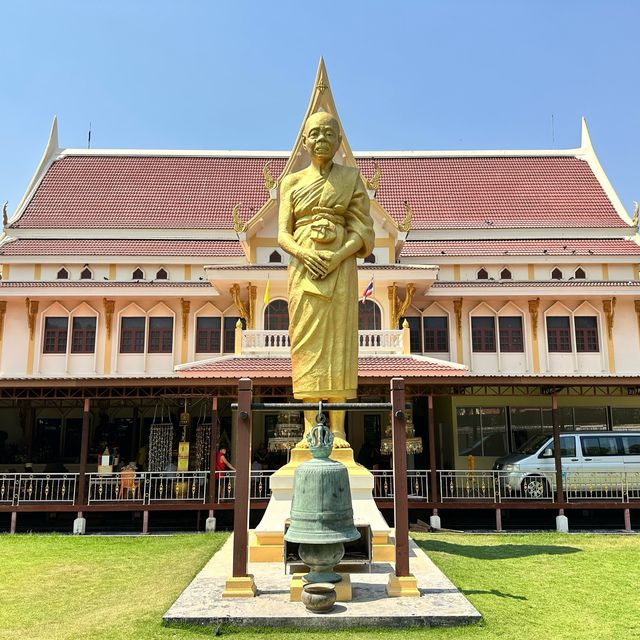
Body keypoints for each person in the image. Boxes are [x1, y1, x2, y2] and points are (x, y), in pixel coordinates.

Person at [278, 111, 374, 445]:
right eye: (315, 134)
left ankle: (337, 430)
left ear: (338, 141)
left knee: (338, 348)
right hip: (304, 269)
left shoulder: (351, 178)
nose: (321, 140)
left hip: (340, 267)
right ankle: (308, 431)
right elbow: (282, 234)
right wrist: (305, 254)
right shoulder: (290, 182)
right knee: (306, 347)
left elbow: (363, 228)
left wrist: (337, 256)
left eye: (329, 134)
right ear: (304, 141)